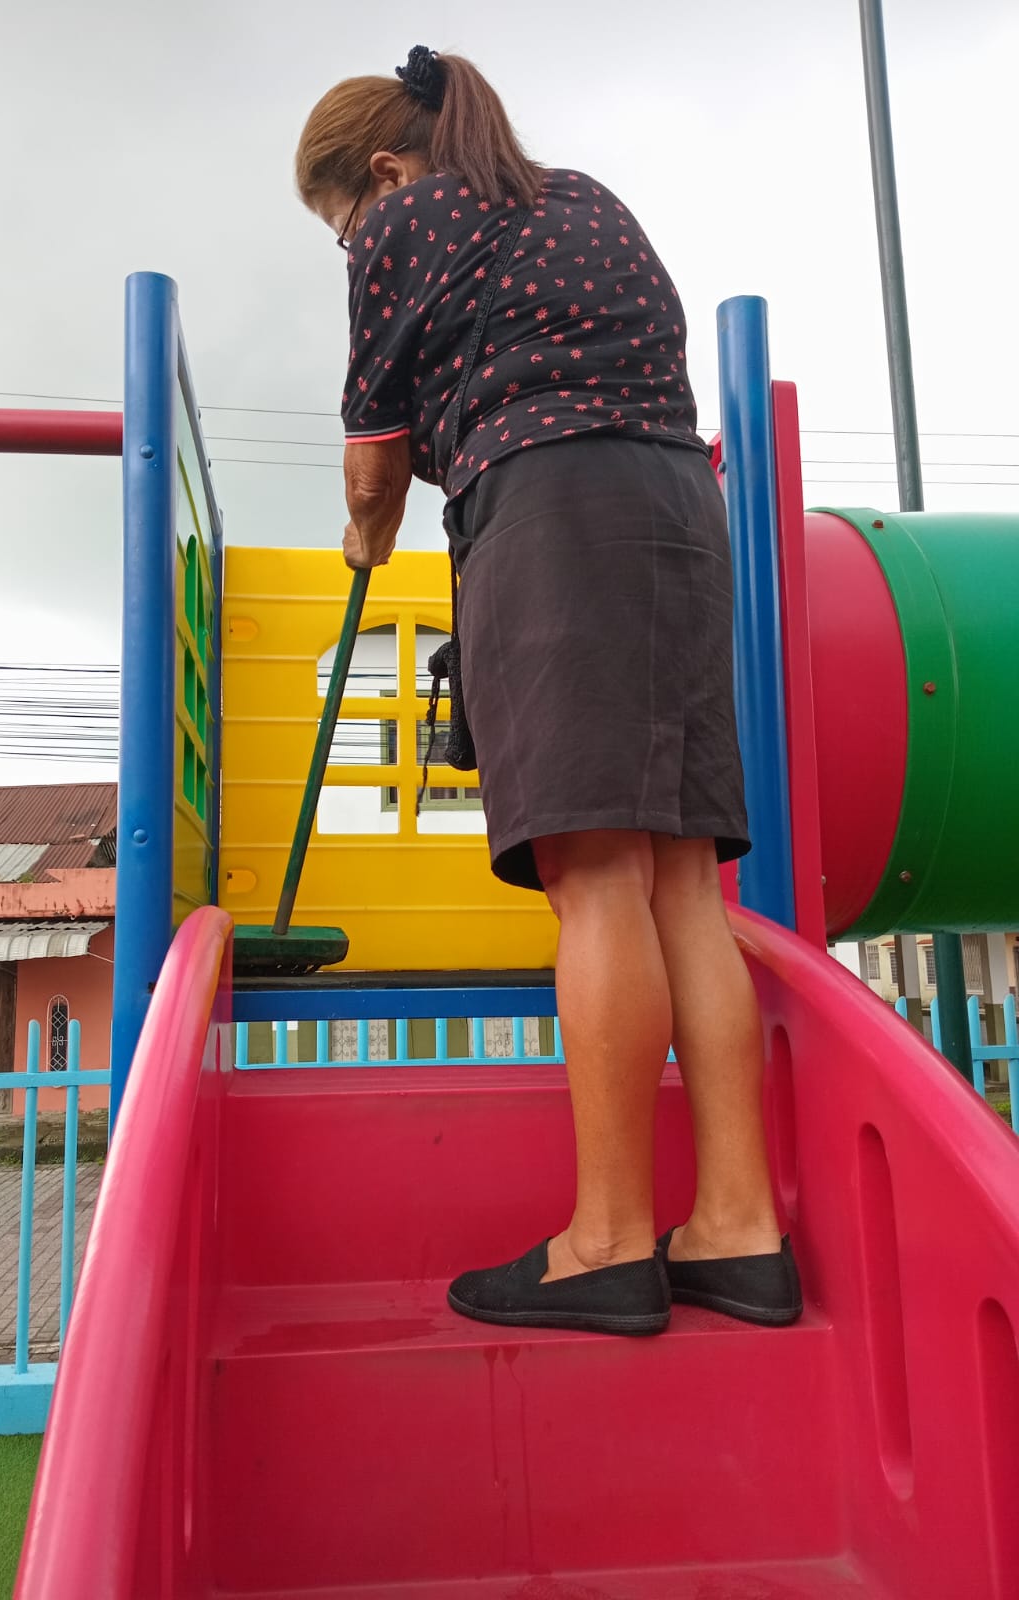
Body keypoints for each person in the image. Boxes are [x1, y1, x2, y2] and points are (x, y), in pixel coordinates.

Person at [295, 46, 802, 1335]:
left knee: (595, 875)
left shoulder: (407, 220)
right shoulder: (578, 195)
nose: (350, 241)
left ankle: (610, 1242)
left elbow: (374, 455)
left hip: (556, 511)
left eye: (338, 219)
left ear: (385, 171)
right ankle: (738, 1227)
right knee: (684, 880)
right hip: (679, 506)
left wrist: (365, 537)